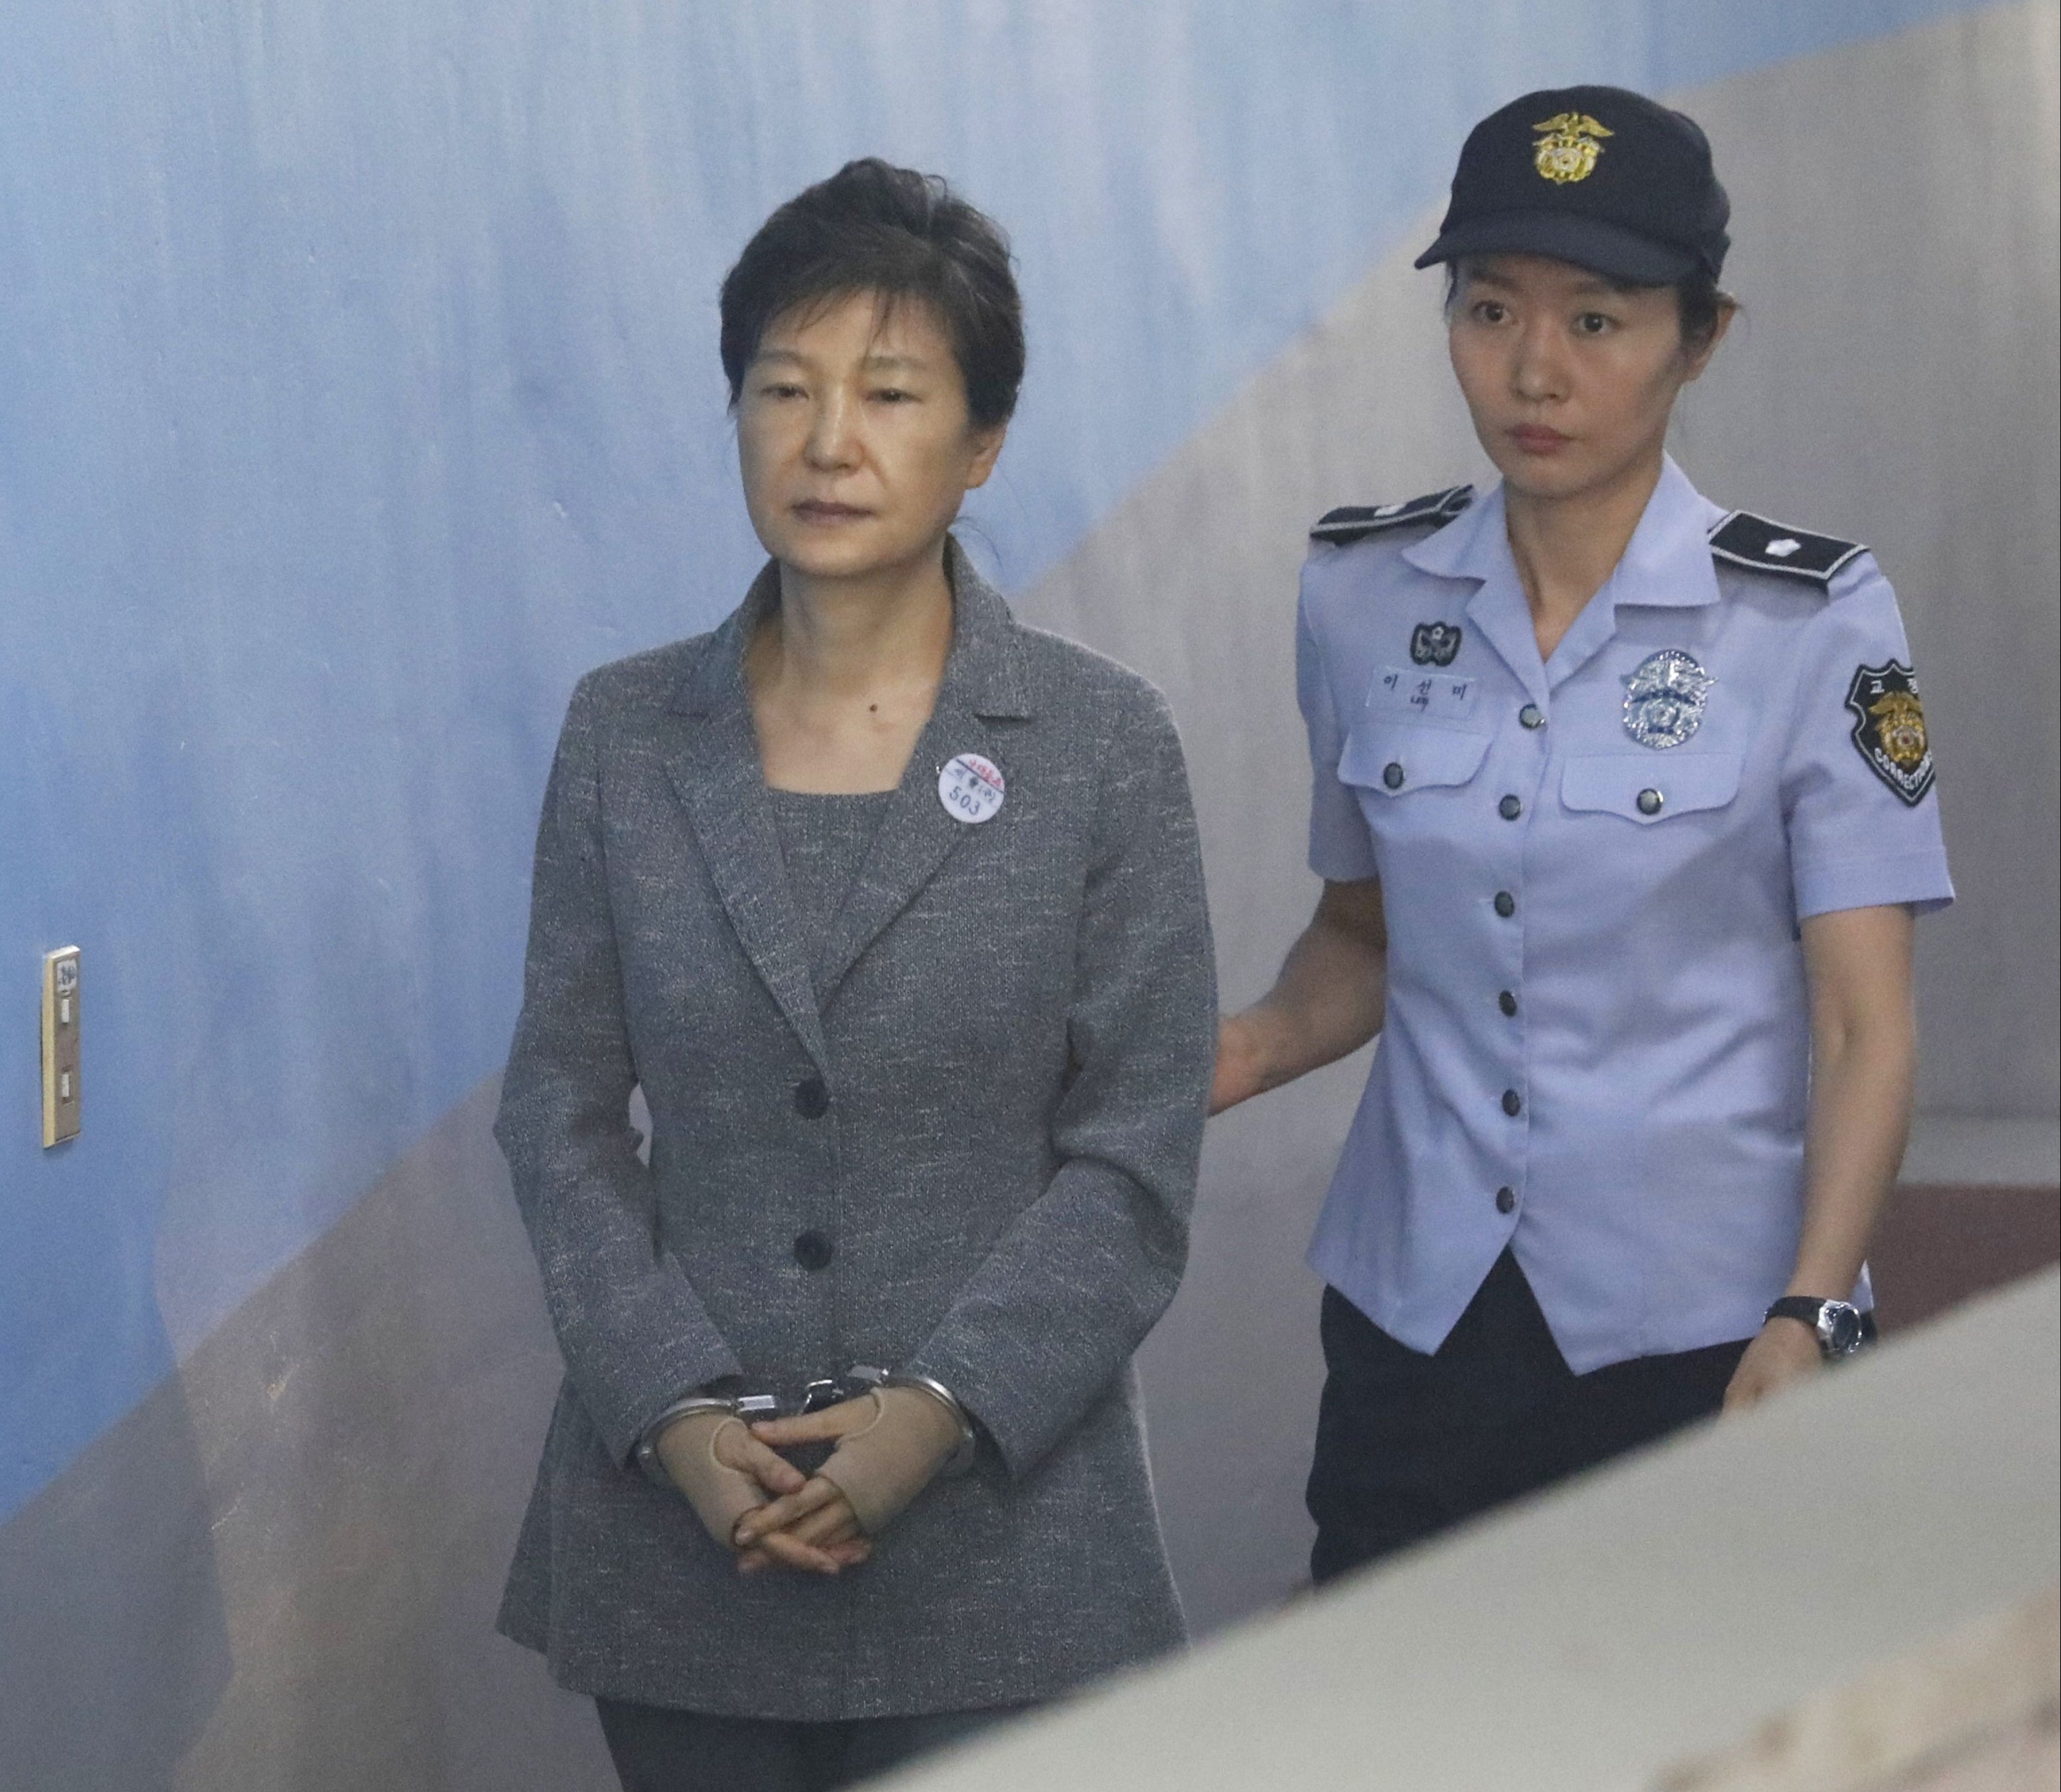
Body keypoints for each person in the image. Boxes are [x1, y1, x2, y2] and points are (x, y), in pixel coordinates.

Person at [494, 158, 1216, 1791]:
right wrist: (669, 1404)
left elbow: (1133, 1151)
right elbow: (557, 1110)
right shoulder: (624, 735)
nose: (828, 442)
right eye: (784, 389)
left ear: (978, 448)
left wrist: (939, 1407)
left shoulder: (1098, 745)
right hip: (692, 1530)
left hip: (1007, 1546)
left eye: (888, 394)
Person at [1210, 86, 1952, 1586]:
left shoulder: (1807, 619)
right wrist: (1211, 1060)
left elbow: (1863, 1027)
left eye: (1595, 321)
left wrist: (1809, 1313)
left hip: (1700, 1329)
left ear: (1700, 334)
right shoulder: (1360, 594)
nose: (1530, 369)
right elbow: (1359, 939)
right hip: (1414, 1320)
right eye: (1488, 310)